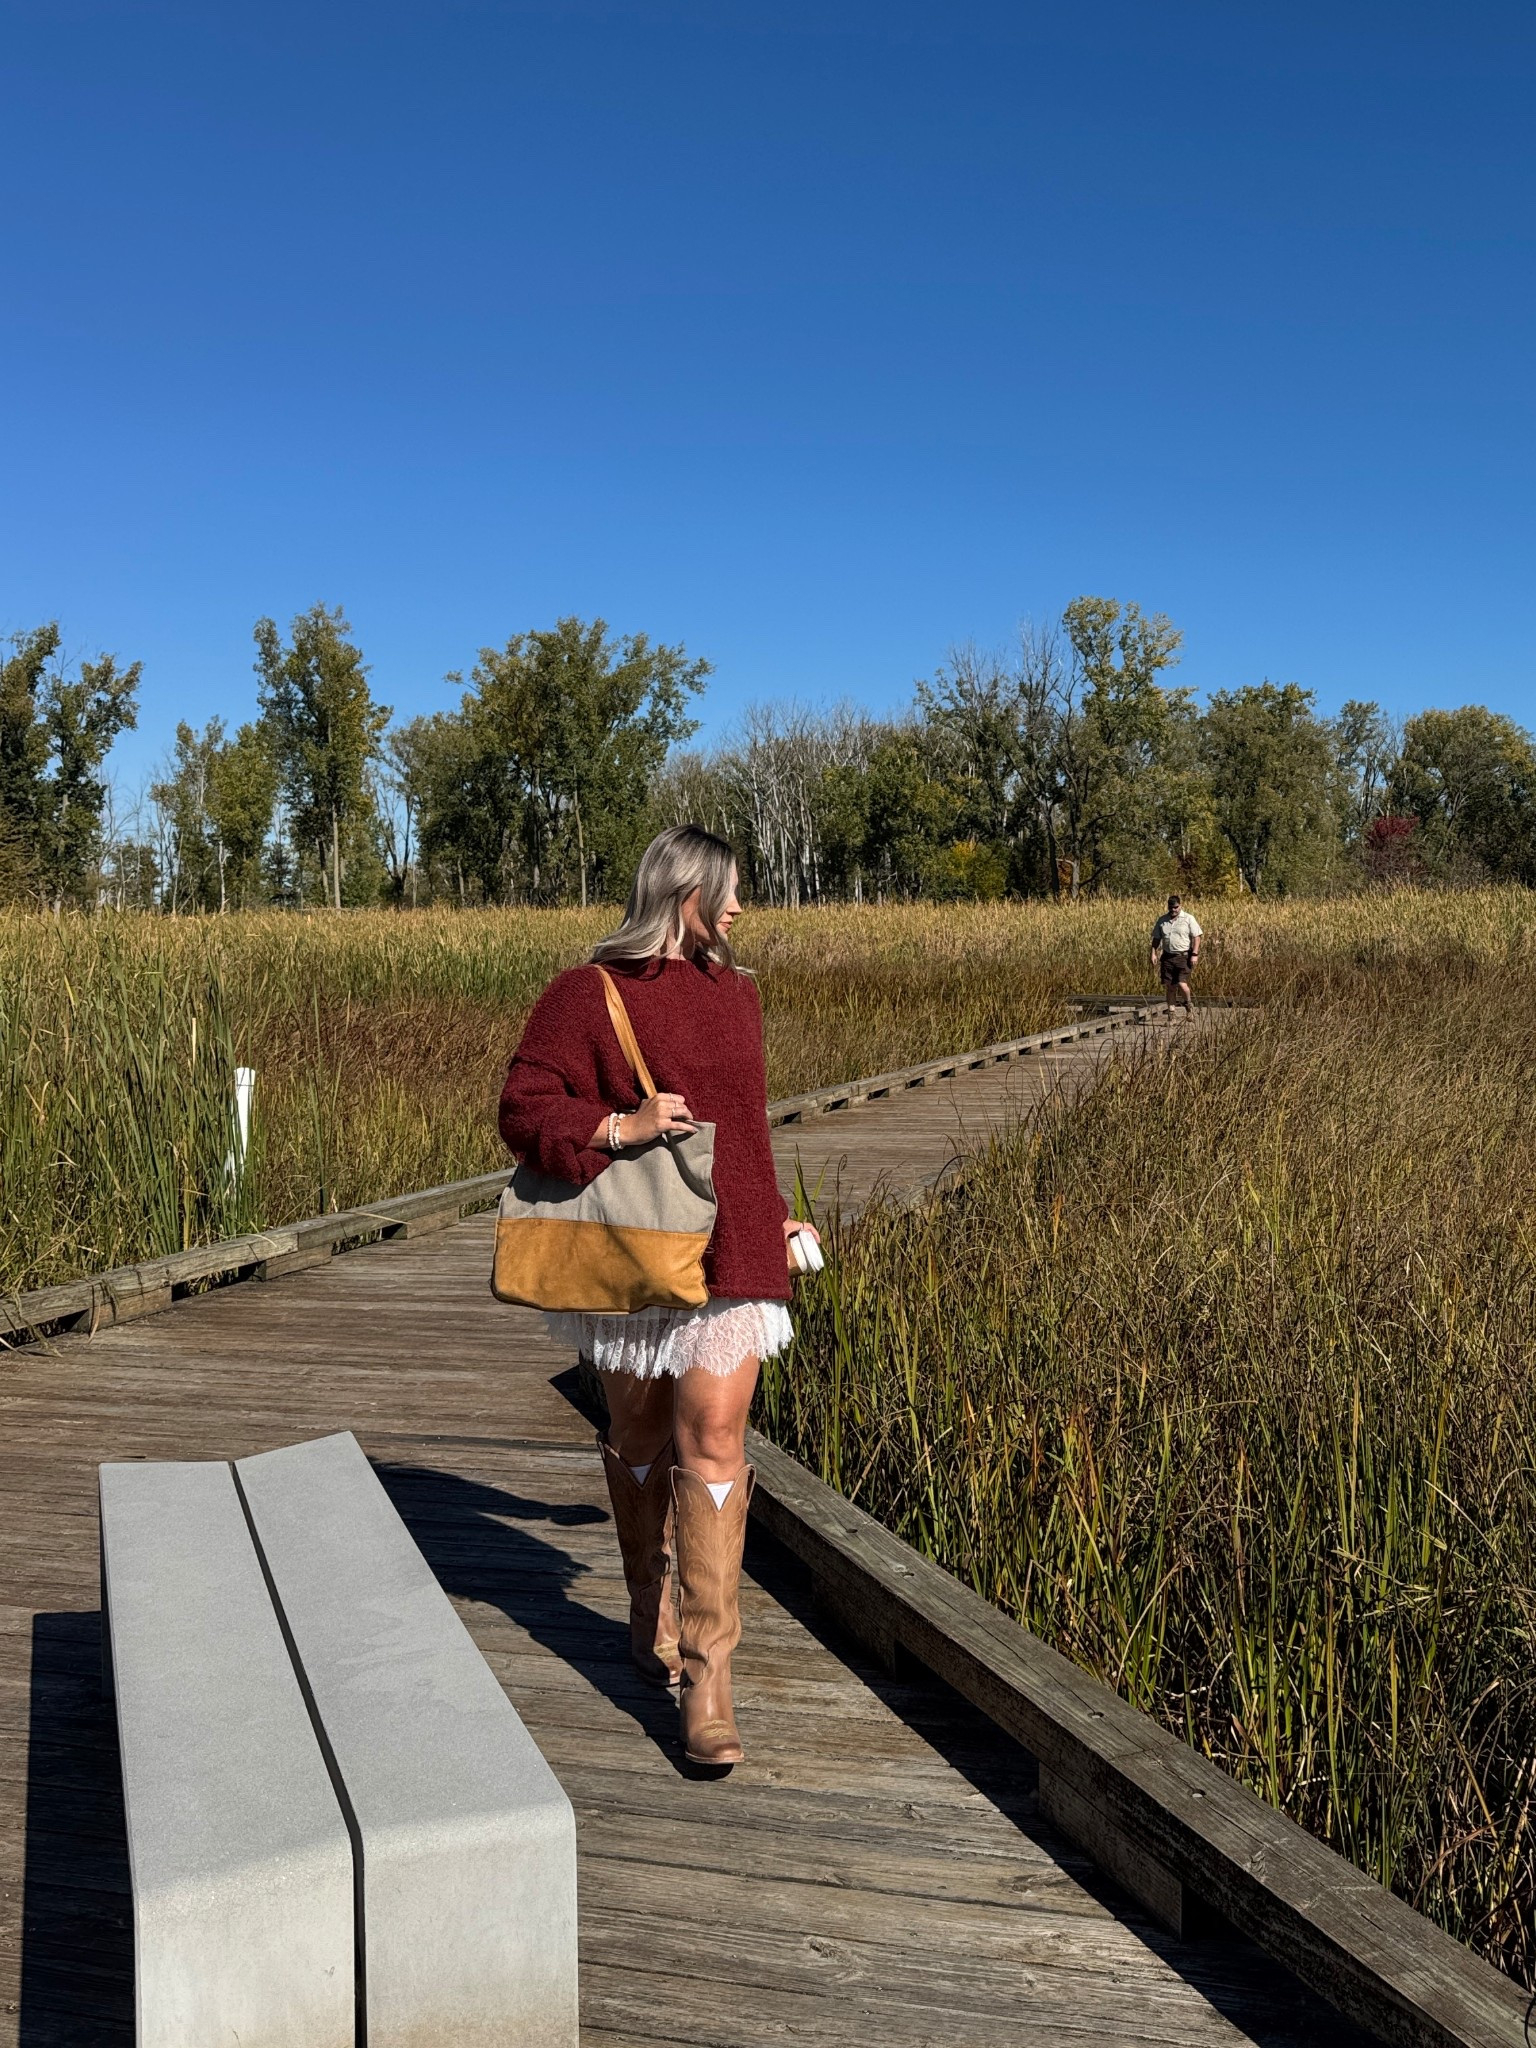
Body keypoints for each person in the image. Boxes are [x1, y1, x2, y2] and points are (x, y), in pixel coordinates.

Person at [498, 825, 817, 1768]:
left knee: (715, 1434)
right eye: (725, 889)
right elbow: (523, 1106)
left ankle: (708, 1678)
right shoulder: (585, 991)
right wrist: (615, 1124)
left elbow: (746, 1129)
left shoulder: (739, 994)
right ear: (681, 892)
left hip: (733, 1244)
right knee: (638, 1433)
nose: (737, 907)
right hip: (639, 1249)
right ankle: (652, 1603)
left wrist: (780, 1218)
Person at [1150, 893, 1202, 1017]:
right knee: (1170, 986)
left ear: (1180, 906)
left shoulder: (1188, 918)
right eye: (1171, 907)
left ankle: (1188, 1005)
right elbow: (1156, 938)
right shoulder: (1162, 920)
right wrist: (1153, 953)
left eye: (1176, 907)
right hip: (1168, 956)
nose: (1173, 910)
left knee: (1181, 982)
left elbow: (1197, 937)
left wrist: (1194, 954)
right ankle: (1171, 1013)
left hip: (1183, 956)